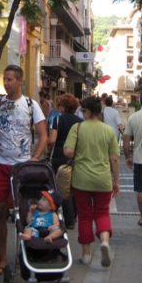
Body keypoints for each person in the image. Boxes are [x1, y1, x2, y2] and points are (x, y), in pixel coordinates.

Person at [0, 64, 47, 277]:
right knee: (0, 211)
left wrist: (35, 158)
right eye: (5, 79)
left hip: (22, 167)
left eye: (11, 79)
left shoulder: (31, 105)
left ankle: (27, 253)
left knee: (25, 213)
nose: (7, 82)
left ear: (21, 81)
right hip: (0, 164)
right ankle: (2, 258)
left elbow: (43, 134)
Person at [63, 96, 119, 267]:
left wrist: (79, 151)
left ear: (86, 111)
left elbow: (68, 152)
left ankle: (86, 254)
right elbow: (115, 159)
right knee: (102, 213)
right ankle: (104, 241)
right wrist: (115, 180)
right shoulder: (108, 131)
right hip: (103, 179)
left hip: (82, 179)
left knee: (85, 216)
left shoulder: (77, 128)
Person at [47, 93, 83, 228]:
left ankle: (68, 219)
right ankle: (73, 216)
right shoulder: (80, 122)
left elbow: (52, 140)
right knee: (74, 186)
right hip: (76, 157)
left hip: (58, 157)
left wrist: (47, 148)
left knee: (62, 187)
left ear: (63, 106)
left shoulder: (57, 120)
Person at [122, 91, 142, 227]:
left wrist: (128, 156)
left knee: (141, 189)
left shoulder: (133, 117)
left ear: (140, 101)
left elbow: (126, 139)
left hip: (139, 158)